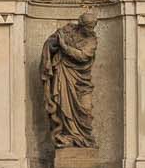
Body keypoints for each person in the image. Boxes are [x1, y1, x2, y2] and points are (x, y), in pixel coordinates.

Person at [38, 11, 99, 148]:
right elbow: (50, 43)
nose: (91, 30)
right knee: (63, 105)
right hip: (63, 74)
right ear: (81, 25)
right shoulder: (67, 30)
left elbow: (83, 56)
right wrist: (54, 44)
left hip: (81, 81)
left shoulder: (92, 40)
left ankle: (84, 139)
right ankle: (67, 136)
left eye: (92, 27)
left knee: (86, 110)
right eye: (89, 27)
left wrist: (64, 47)